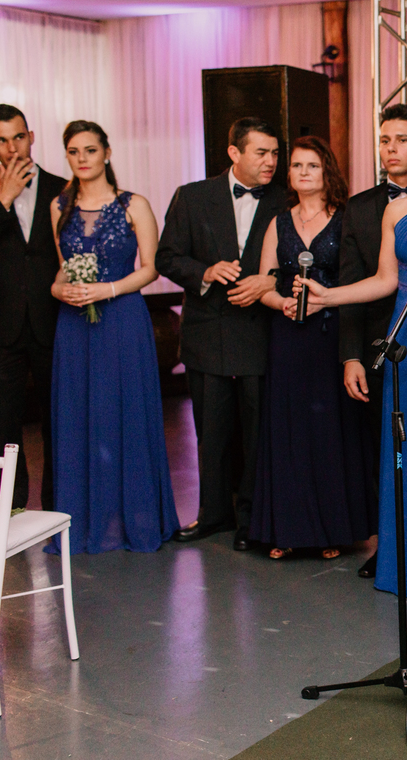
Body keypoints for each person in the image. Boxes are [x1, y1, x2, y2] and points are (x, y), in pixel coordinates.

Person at [300, 112, 407, 596]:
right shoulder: (396, 210)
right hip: (405, 332)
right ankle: (406, 564)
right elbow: (385, 280)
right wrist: (328, 296)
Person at [156, 118, 287, 552]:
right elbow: (167, 257)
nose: (271, 162)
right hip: (207, 332)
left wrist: (271, 283)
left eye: (274, 153)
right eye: (261, 153)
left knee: (257, 431)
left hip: (262, 332)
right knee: (210, 431)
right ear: (234, 152)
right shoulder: (192, 196)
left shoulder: (286, 200)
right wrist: (205, 272)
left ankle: (252, 518)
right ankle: (213, 514)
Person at [47, 120, 178, 553]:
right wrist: (58, 290)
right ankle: (87, 519)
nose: (81, 158)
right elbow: (62, 268)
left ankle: (135, 519)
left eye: (89, 150)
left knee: (125, 413)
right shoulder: (58, 206)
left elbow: (152, 267)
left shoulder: (133, 204)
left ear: (106, 152)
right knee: (80, 414)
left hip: (122, 318)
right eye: (73, 152)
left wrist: (108, 289)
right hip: (74, 325)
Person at [247, 136, 375, 559]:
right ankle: (285, 529)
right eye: (297, 166)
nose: (303, 172)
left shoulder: (345, 218)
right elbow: (266, 280)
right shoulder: (278, 222)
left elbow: (357, 277)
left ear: (327, 173)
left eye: (312, 166)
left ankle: (331, 532)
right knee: (287, 428)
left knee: (328, 431)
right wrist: (278, 301)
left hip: (329, 332)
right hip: (287, 336)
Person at [0, 105, 65, 509]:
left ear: (31, 136)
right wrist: (2, 199)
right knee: (3, 424)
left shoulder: (64, 187)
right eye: (1, 140)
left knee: (58, 419)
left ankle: (59, 505)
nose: (11, 147)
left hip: (55, 319)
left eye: (18, 137)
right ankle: (11, 508)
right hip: (0, 324)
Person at [338, 103, 407, 577]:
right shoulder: (362, 206)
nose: (391, 149)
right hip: (375, 346)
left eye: (402, 140)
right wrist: (350, 355)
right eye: (385, 140)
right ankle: (386, 548)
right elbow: (351, 285)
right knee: (384, 449)